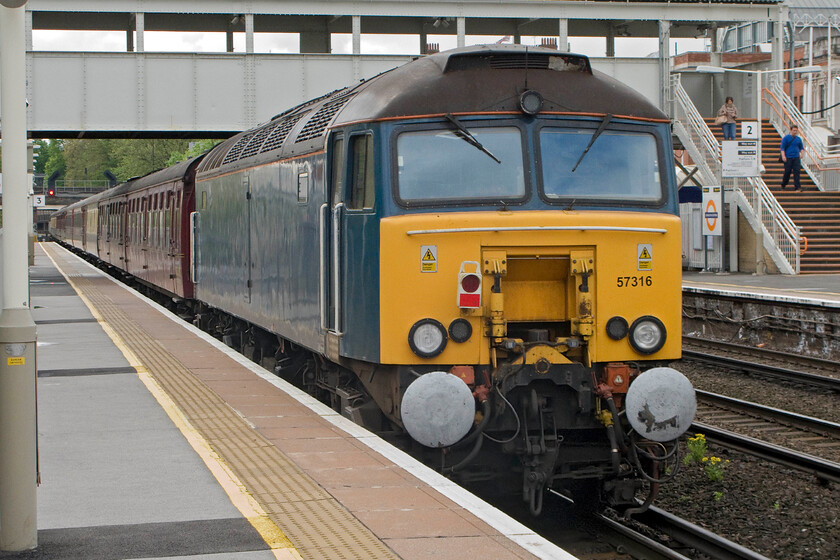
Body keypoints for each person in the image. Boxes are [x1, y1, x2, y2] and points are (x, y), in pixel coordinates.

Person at [780, 124, 805, 191]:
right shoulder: (786, 138)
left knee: (797, 171)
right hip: (788, 157)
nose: (795, 132)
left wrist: (802, 153)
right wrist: (783, 156)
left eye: (796, 131)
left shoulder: (798, 139)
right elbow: (782, 148)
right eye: (794, 130)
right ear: (790, 130)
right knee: (787, 171)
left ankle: (797, 187)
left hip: (796, 157)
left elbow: (801, 147)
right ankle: (784, 184)